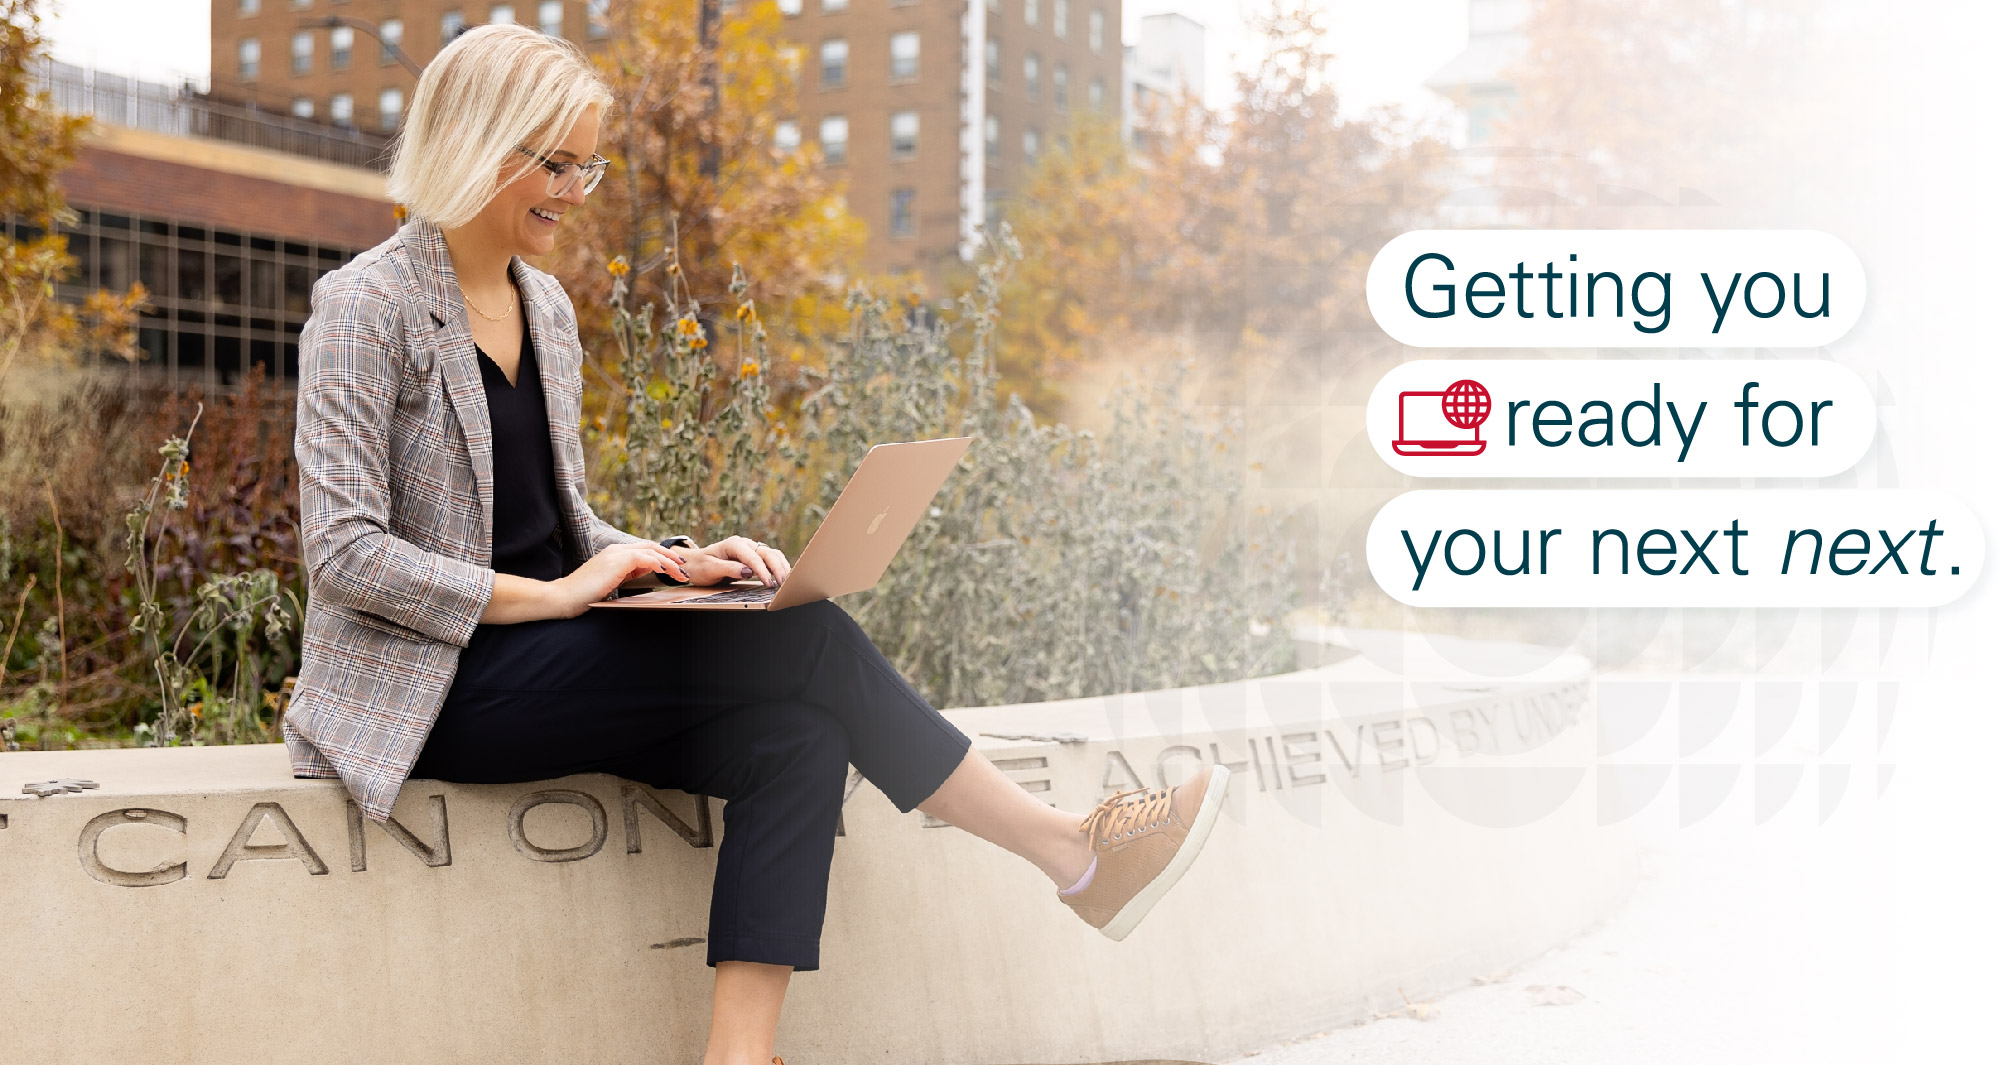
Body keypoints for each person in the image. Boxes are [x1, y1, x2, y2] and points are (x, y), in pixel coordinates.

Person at [283, 24, 1230, 1065]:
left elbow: (565, 521)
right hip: (438, 690)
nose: (574, 189)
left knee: (796, 738)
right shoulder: (363, 305)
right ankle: (1071, 850)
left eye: (584, 163)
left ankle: (740, 1055)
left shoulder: (542, 305)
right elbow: (345, 553)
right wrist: (555, 597)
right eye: (551, 162)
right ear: (474, 141)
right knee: (807, 638)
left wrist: (671, 562)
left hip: (552, 665)